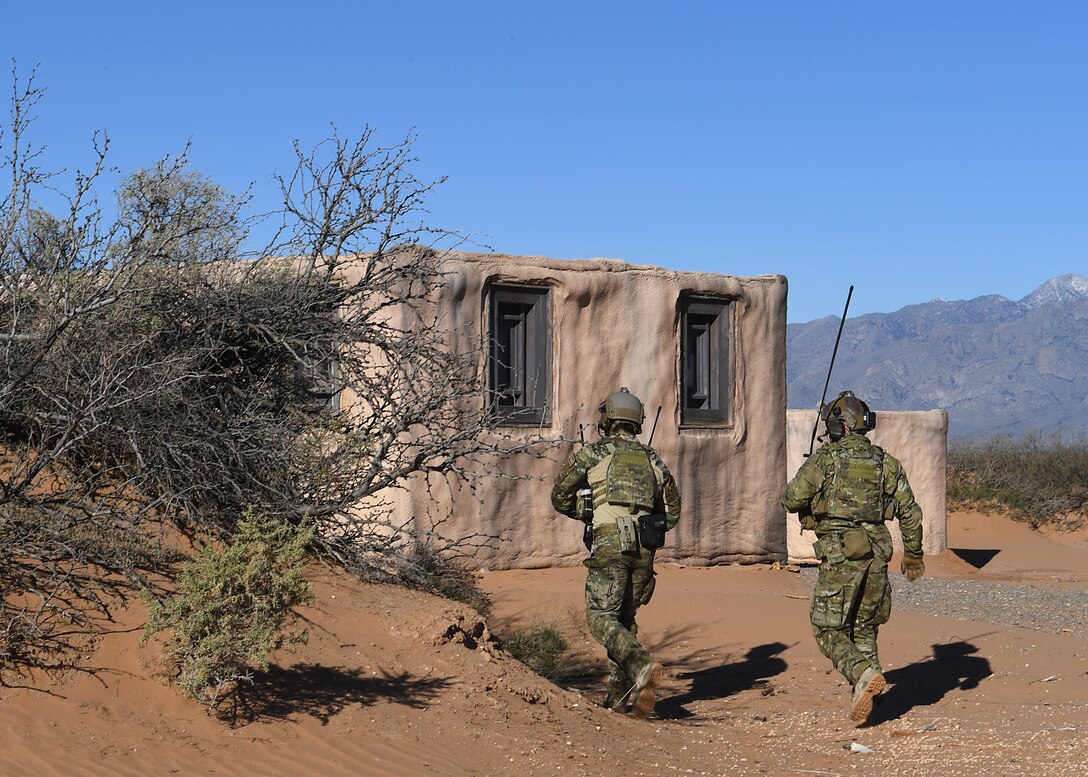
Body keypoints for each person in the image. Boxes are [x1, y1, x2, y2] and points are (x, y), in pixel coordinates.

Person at [782, 390, 925, 723]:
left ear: (838, 428)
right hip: (877, 554)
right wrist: (914, 555)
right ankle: (872, 697)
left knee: (826, 629)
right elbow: (911, 512)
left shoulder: (826, 460)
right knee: (863, 627)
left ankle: (861, 673)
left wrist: (811, 473)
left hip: (843, 555)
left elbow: (790, 499)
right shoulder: (886, 462)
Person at [551, 387, 681, 717]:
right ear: (637, 422)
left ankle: (642, 667)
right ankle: (618, 699)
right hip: (644, 550)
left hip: (610, 545)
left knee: (600, 620)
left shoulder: (593, 453)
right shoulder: (653, 459)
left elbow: (559, 497)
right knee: (624, 620)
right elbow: (673, 511)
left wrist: (585, 509)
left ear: (608, 418)